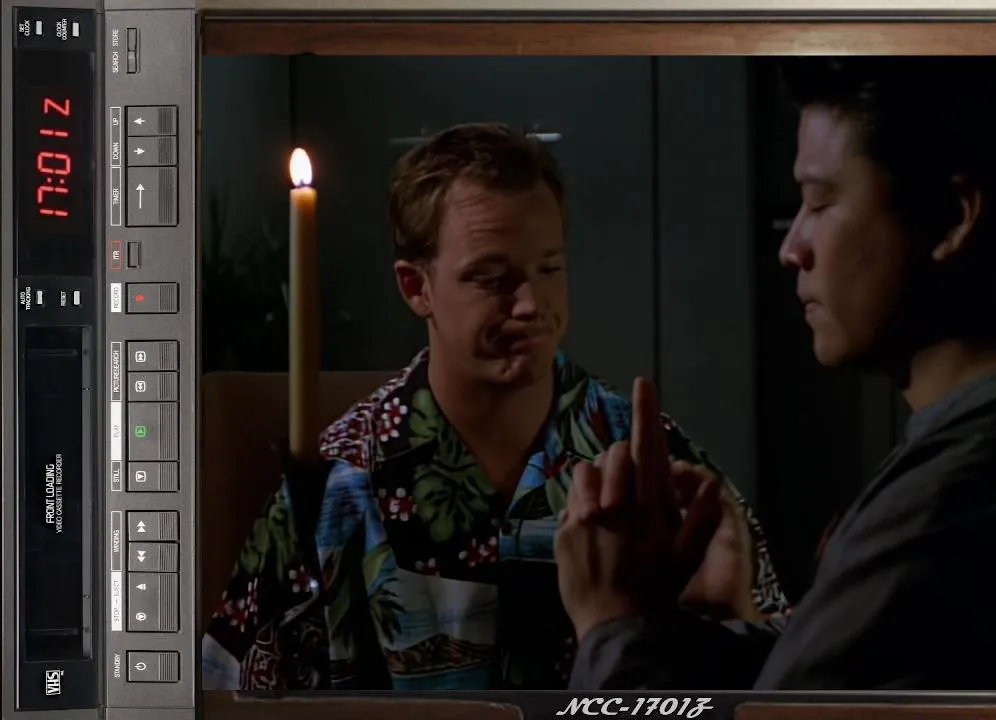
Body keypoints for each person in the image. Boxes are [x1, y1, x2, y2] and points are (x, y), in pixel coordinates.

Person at [201, 123, 788, 691]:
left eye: (549, 269)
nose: (532, 304)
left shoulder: (649, 467)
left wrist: (731, 626)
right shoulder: (340, 482)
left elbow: (781, 686)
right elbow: (235, 696)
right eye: (491, 279)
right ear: (416, 287)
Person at [555, 56, 996, 691]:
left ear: (952, 217)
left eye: (820, 201)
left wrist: (611, 624)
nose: (791, 247)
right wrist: (722, 629)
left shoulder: (961, 496)